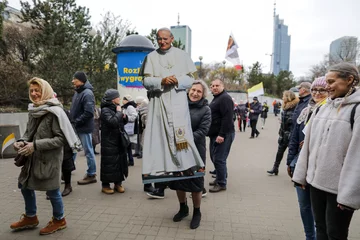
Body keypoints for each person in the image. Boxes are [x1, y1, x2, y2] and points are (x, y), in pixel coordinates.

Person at [293, 62, 360, 240]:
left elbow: (357, 157)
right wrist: (301, 176)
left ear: (350, 80)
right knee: (320, 230)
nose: (327, 87)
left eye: (331, 82)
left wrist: (348, 196)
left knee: (335, 234)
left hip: (338, 190)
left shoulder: (357, 110)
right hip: (315, 184)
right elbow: (308, 145)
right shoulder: (322, 108)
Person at [11, 77, 80, 235]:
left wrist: (35, 145)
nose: (34, 94)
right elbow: (29, 133)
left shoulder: (55, 112)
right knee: (24, 186)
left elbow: (61, 139)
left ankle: (59, 219)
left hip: (48, 160)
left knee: (53, 190)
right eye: (32, 91)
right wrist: (21, 142)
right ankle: (30, 217)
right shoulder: (34, 110)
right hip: (32, 158)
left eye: (37, 90)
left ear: (45, 91)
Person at [140, 27, 203, 180]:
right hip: (159, 102)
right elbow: (146, 81)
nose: (162, 42)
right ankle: (157, 167)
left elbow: (190, 80)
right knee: (158, 135)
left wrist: (178, 80)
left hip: (177, 100)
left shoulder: (182, 55)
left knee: (182, 135)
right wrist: (161, 81)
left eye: (165, 39)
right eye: (159, 39)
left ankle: (185, 166)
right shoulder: (151, 57)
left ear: (172, 39)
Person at [286, 76, 328, 240]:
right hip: (300, 163)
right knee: (304, 206)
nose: (317, 93)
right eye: (315, 90)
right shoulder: (305, 110)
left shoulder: (330, 111)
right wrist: (290, 160)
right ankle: (309, 237)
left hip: (319, 167)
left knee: (318, 208)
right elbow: (294, 137)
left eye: (322, 90)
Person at [167, 80, 211, 229]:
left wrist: (185, 141)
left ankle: (197, 212)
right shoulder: (180, 105)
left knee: (196, 184)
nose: (195, 93)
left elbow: (203, 131)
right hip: (178, 150)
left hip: (196, 152)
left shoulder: (206, 110)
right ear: (188, 91)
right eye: (193, 90)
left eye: (199, 91)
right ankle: (183, 208)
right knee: (179, 181)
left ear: (203, 94)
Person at [69, 71, 97, 185]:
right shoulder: (78, 92)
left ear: (81, 80)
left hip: (83, 127)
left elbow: (89, 113)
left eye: (74, 79)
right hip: (76, 126)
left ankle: (91, 174)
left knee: (88, 151)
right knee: (73, 148)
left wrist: (77, 121)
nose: (72, 81)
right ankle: (68, 168)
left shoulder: (87, 93)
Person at [207, 79, 235, 193]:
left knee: (219, 159)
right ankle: (219, 178)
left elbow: (227, 118)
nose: (214, 87)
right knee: (214, 157)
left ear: (222, 86)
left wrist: (221, 135)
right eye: (212, 86)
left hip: (223, 134)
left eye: (217, 85)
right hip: (215, 134)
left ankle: (221, 183)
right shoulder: (217, 98)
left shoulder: (225, 98)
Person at [100, 89, 129, 194]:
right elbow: (112, 122)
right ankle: (105, 185)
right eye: (118, 97)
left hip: (118, 140)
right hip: (109, 142)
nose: (119, 99)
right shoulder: (105, 110)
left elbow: (121, 122)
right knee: (109, 163)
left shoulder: (117, 108)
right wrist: (118, 113)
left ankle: (118, 183)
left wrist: (124, 117)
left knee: (119, 162)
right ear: (113, 99)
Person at [267, 91, 299, 175]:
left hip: (290, 136)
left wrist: (291, 136)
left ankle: (294, 172)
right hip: (283, 134)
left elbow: (294, 124)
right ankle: (275, 168)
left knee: (292, 155)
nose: (282, 98)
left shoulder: (296, 108)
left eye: (283, 96)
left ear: (288, 97)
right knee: (279, 152)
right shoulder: (285, 107)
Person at [121, 94, 138, 166]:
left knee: (127, 145)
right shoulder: (126, 107)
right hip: (127, 128)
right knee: (128, 146)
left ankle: (129, 160)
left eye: (124, 99)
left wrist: (126, 117)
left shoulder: (129, 107)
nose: (123, 101)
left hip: (129, 128)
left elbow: (134, 116)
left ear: (127, 100)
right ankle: (130, 160)